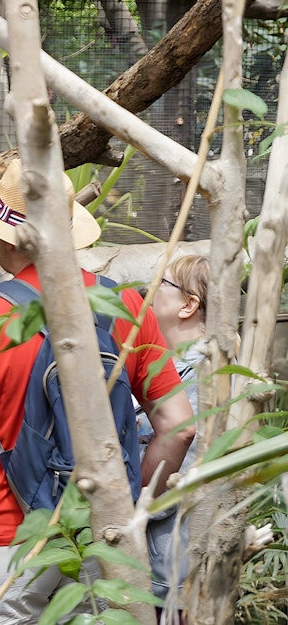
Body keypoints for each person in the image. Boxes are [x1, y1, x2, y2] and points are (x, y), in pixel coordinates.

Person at [0, 159, 196, 623]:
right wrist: (128, 505)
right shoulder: (126, 304)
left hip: (0, 542)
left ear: (8, 237)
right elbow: (178, 427)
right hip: (102, 535)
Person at [138, 254, 209, 621]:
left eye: (162, 283)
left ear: (189, 304)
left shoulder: (201, 376)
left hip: (172, 569)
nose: (149, 292)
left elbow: (175, 481)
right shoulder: (165, 364)